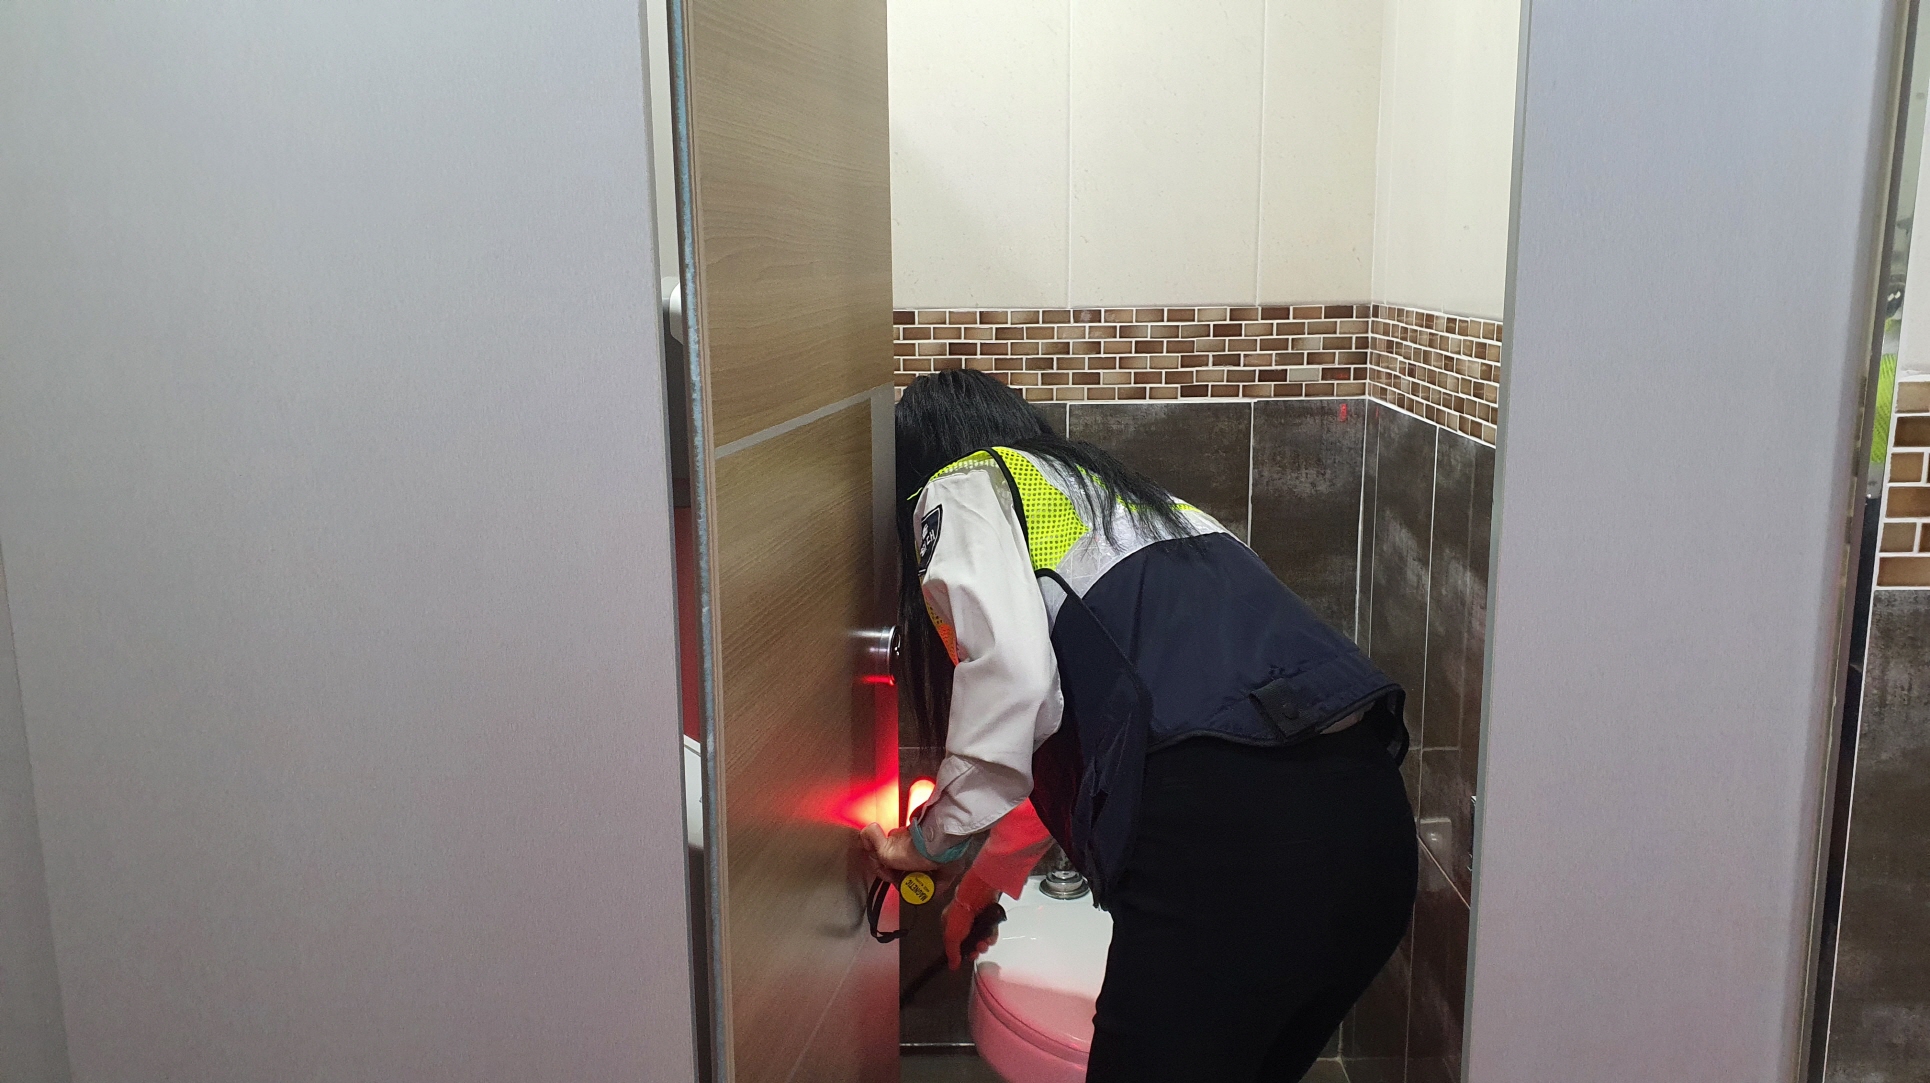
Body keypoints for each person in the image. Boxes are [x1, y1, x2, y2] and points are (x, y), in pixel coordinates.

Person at [861, 370, 1418, 1083]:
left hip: (1224, 845)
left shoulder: (964, 482)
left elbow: (1017, 683)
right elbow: (1082, 739)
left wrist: (931, 841)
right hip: (1370, 830)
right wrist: (981, 884)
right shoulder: (1133, 502)